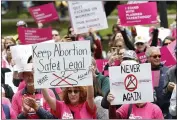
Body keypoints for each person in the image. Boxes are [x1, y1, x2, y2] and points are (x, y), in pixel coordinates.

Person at [145, 46, 171, 118]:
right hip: (148, 111)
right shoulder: (141, 71)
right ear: (148, 57)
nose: (158, 58)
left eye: (159, 56)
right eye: (155, 56)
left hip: (166, 111)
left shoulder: (167, 70)